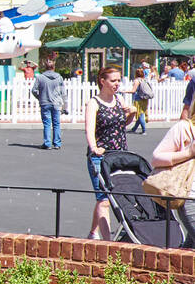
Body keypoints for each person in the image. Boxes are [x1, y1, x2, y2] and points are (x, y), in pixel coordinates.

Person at [84, 65, 138, 240]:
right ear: (102, 81)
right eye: (113, 80)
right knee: (104, 199)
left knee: (108, 198)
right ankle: (107, 243)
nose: (117, 84)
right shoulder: (94, 103)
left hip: (120, 155)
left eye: (118, 80)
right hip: (101, 156)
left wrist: (132, 114)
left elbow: (123, 125)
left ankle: (93, 232)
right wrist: (94, 148)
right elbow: (89, 130)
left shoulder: (119, 100)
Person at [151, 116, 195, 247]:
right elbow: (157, 158)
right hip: (190, 196)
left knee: (187, 250)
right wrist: (188, 153)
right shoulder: (184, 128)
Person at [32, 52, 65, 149]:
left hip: (45, 102)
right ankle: (57, 143)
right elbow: (63, 92)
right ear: (54, 67)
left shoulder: (40, 77)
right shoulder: (59, 77)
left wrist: (40, 97)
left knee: (47, 123)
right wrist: (64, 104)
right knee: (56, 123)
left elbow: (34, 90)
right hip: (56, 103)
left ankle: (47, 143)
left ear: (45, 67)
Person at [131, 66, 152, 133]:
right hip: (145, 99)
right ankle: (134, 129)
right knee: (141, 112)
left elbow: (133, 91)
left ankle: (144, 130)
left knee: (140, 114)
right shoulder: (145, 80)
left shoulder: (137, 81)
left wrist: (123, 91)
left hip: (138, 99)